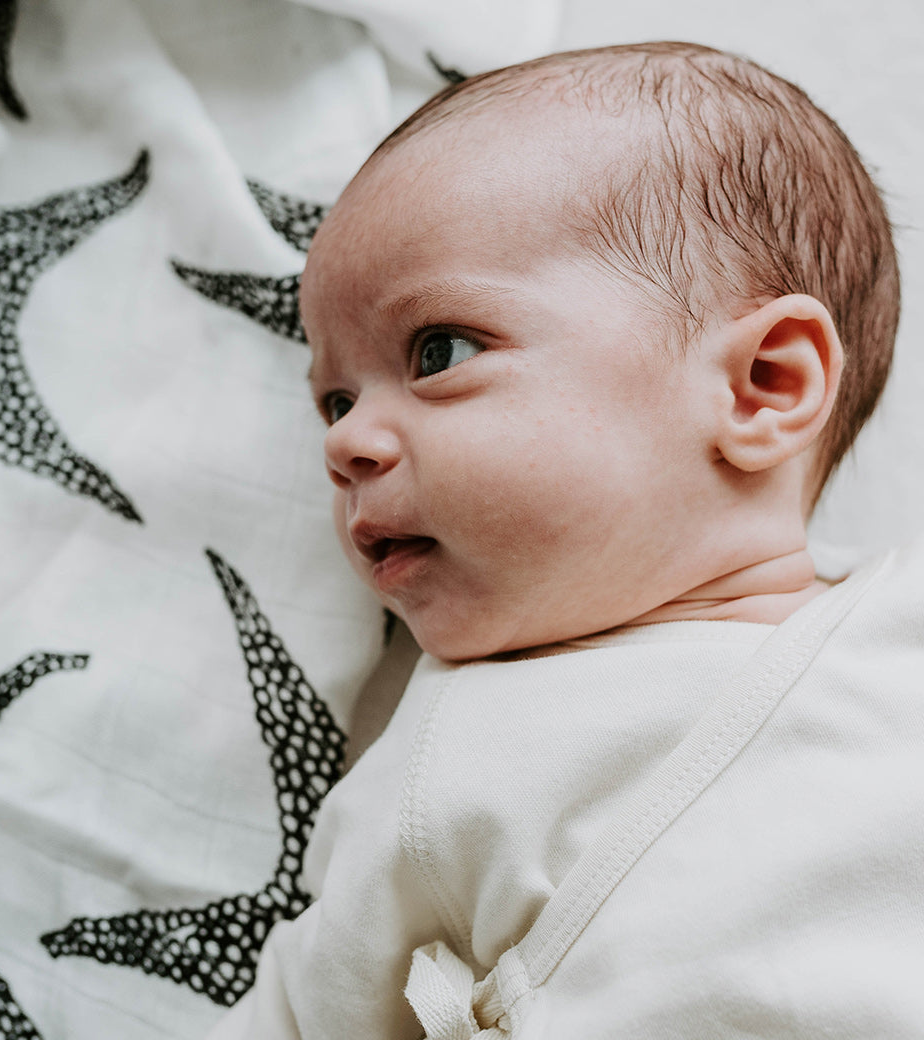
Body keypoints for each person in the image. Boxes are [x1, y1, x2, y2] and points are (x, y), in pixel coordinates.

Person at [208, 41, 922, 1039]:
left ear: (762, 385)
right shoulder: (448, 753)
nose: (343, 441)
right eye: (335, 396)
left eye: (437, 350)